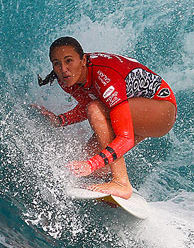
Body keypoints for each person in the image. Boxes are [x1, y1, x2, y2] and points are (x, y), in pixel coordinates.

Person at [31, 36, 177, 199]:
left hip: (160, 110)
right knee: (90, 163)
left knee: (95, 116)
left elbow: (124, 136)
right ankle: (109, 184)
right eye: (57, 63)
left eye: (68, 61)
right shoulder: (67, 79)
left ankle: (121, 183)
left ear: (83, 60)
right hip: (132, 111)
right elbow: (87, 104)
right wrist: (59, 120)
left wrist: (91, 164)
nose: (63, 69)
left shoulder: (104, 76)